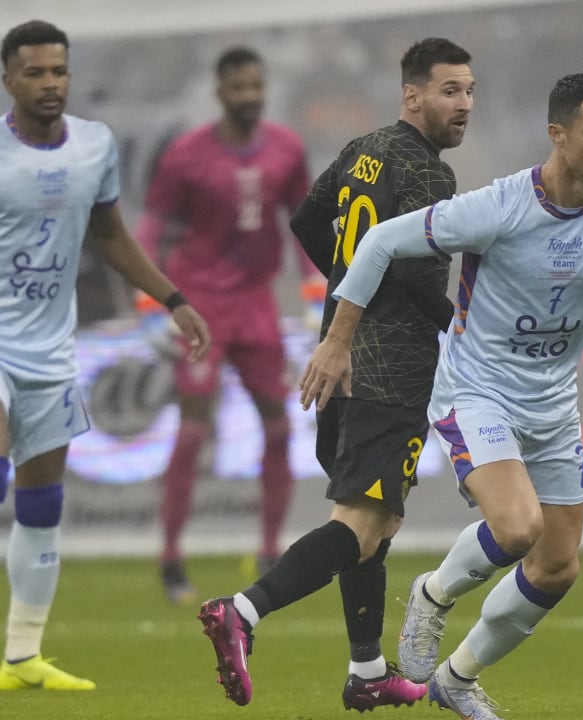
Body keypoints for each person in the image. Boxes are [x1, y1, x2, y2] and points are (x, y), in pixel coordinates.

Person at [298, 73, 583, 720]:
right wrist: (338, 340)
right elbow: (378, 242)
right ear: (558, 135)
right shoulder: (499, 207)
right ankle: (432, 595)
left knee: (557, 568)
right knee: (517, 529)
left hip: (552, 404)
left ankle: (458, 678)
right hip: (476, 391)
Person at [196, 38, 474, 711]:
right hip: (389, 370)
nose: (464, 105)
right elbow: (410, 271)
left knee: (372, 523)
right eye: (449, 91)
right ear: (412, 95)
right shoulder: (431, 176)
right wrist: (462, 328)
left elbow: (307, 219)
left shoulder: (364, 150)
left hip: (337, 356)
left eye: (469, 91)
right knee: (362, 523)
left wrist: (349, 285)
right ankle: (243, 610)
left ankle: (368, 670)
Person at [0, 19, 210, 690]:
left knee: (40, 502)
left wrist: (171, 298)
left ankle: (22, 656)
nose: (50, 82)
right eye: (34, 72)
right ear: (8, 80)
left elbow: (111, 232)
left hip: (50, 351)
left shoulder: (94, 146)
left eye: (58, 70)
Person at [134, 46, 314, 603]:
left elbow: (304, 225)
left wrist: (315, 290)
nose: (249, 97)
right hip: (202, 305)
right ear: (219, 91)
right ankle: (170, 557)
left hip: (257, 304)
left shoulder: (287, 149)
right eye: (239, 88)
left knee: (280, 426)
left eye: (256, 86)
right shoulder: (187, 156)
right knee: (192, 429)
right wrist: (150, 308)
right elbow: (150, 229)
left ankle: (269, 549)